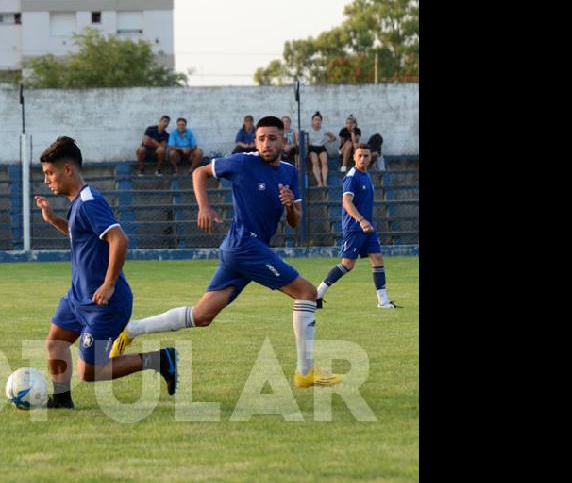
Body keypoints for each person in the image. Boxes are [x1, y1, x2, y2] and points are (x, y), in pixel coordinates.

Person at [111, 116, 343, 389]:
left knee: (201, 316)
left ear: (284, 139)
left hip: (245, 250)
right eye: (261, 138)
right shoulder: (244, 162)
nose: (266, 144)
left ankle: (131, 330)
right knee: (306, 292)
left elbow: (295, 220)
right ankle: (305, 373)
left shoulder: (289, 173)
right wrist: (203, 207)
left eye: (272, 138)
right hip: (245, 245)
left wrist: (291, 205)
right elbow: (200, 172)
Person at [33, 136, 178, 409]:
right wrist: (53, 220)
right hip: (78, 299)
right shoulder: (78, 203)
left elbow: (119, 239)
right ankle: (62, 400)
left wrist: (109, 283)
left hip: (105, 305)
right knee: (55, 344)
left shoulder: (90, 201)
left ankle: (159, 360)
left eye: (50, 173)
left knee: (90, 371)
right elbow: (82, 236)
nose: (47, 180)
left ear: (68, 170)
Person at [316, 144, 399, 309]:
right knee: (347, 264)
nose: (363, 159)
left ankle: (383, 301)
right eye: (360, 155)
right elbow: (346, 202)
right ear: (354, 157)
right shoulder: (352, 176)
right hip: (355, 227)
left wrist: (366, 222)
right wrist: (360, 220)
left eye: (366, 156)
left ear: (370, 158)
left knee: (377, 258)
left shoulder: (366, 176)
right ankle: (318, 293)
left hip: (368, 226)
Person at [305, 111, 337, 188]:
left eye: (319, 120)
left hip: (321, 147)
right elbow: (305, 140)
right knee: (315, 163)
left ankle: (325, 182)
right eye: (315, 120)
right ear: (312, 121)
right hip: (312, 147)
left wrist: (328, 140)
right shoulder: (308, 130)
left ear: (321, 121)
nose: (317, 121)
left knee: (324, 163)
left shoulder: (324, 130)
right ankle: (319, 182)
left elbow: (334, 137)